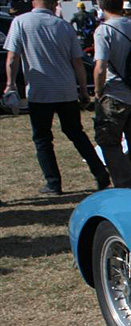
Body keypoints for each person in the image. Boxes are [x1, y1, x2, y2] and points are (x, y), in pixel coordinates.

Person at [3, 0, 110, 194]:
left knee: (43, 138)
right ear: (53, 4)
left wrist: (10, 85)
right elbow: (77, 62)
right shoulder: (63, 25)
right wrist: (84, 90)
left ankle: (53, 182)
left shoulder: (20, 22)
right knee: (76, 133)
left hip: (39, 90)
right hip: (65, 89)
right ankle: (100, 172)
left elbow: (12, 58)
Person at [93, 0, 131, 189]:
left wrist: (97, 91)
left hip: (115, 94)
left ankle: (128, 185)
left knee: (109, 142)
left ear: (101, 6)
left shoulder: (104, 30)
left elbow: (100, 67)